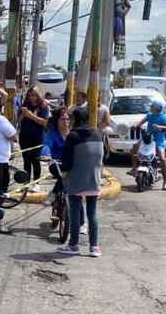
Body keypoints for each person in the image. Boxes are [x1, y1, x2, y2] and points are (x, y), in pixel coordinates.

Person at [58, 107, 105, 257]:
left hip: (77, 180)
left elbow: (67, 161)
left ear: (74, 120)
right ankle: (94, 247)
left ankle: (73, 245)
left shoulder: (73, 136)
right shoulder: (97, 133)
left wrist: (64, 175)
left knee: (75, 213)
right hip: (94, 179)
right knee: (92, 214)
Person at [129, 97, 166, 190]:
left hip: (158, 141)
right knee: (134, 148)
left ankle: (165, 183)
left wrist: (160, 127)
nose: (150, 108)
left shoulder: (163, 117)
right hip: (148, 139)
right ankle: (134, 168)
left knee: (163, 159)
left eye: (151, 107)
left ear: (156, 109)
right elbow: (141, 122)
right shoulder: (149, 115)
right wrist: (136, 125)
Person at [17, 87, 50, 185]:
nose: (32, 98)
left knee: (35, 161)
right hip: (24, 136)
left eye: (34, 95)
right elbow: (18, 121)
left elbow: (45, 123)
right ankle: (26, 183)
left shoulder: (43, 107)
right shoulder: (25, 105)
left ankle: (36, 183)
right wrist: (23, 114)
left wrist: (32, 116)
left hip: (37, 137)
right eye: (30, 96)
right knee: (26, 161)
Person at [42, 106, 70, 199]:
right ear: (57, 121)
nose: (65, 122)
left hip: (70, 164)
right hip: (56, 163)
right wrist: (45, 154)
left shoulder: (72, 133)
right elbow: (46, 144)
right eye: (62, 119)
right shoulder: (52, 133)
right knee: (64, 176)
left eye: (67, 119)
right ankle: (53, 194)